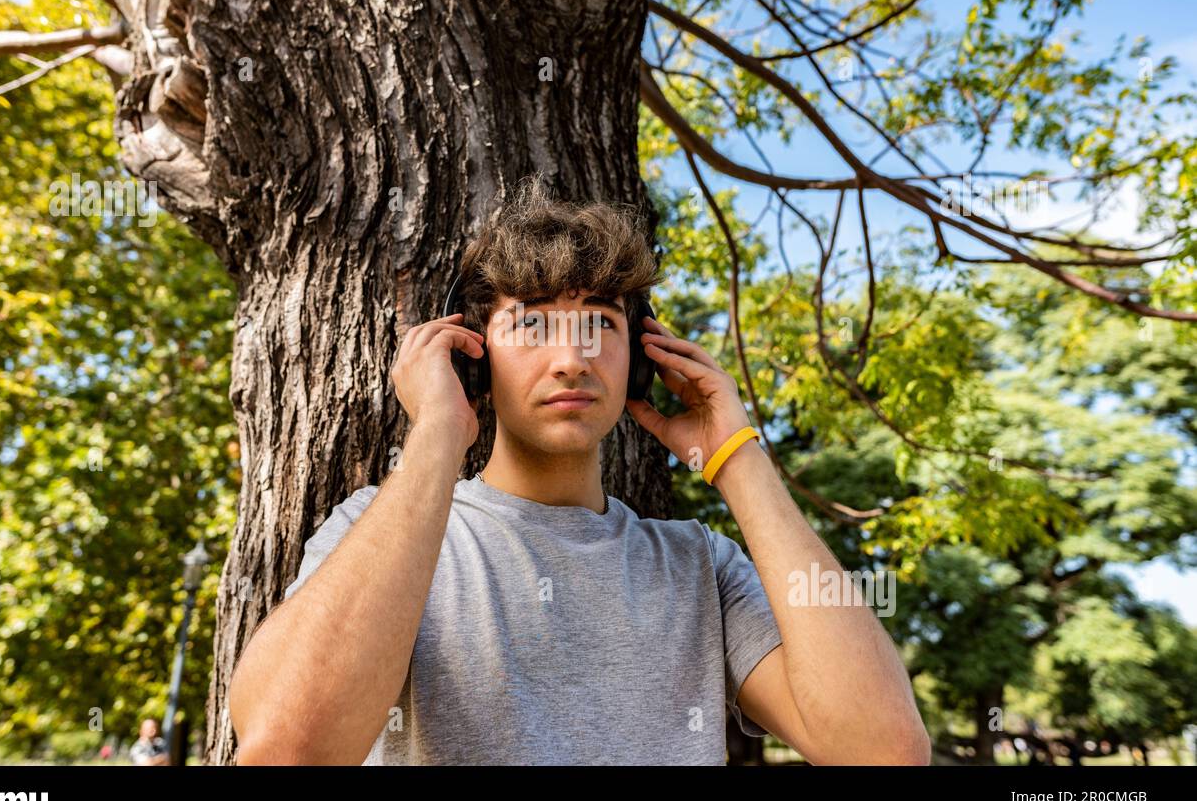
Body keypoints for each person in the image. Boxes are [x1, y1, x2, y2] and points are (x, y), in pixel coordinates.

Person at [230, 174, 930, 765]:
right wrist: (440, 430)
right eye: (531, 324)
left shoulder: (700, 568)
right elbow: (288, 747)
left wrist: (736, 455)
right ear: (474, 355)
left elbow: (883, 749)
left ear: (642, 361)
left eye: (599, 323)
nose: (571, 357)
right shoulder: (379, 535)